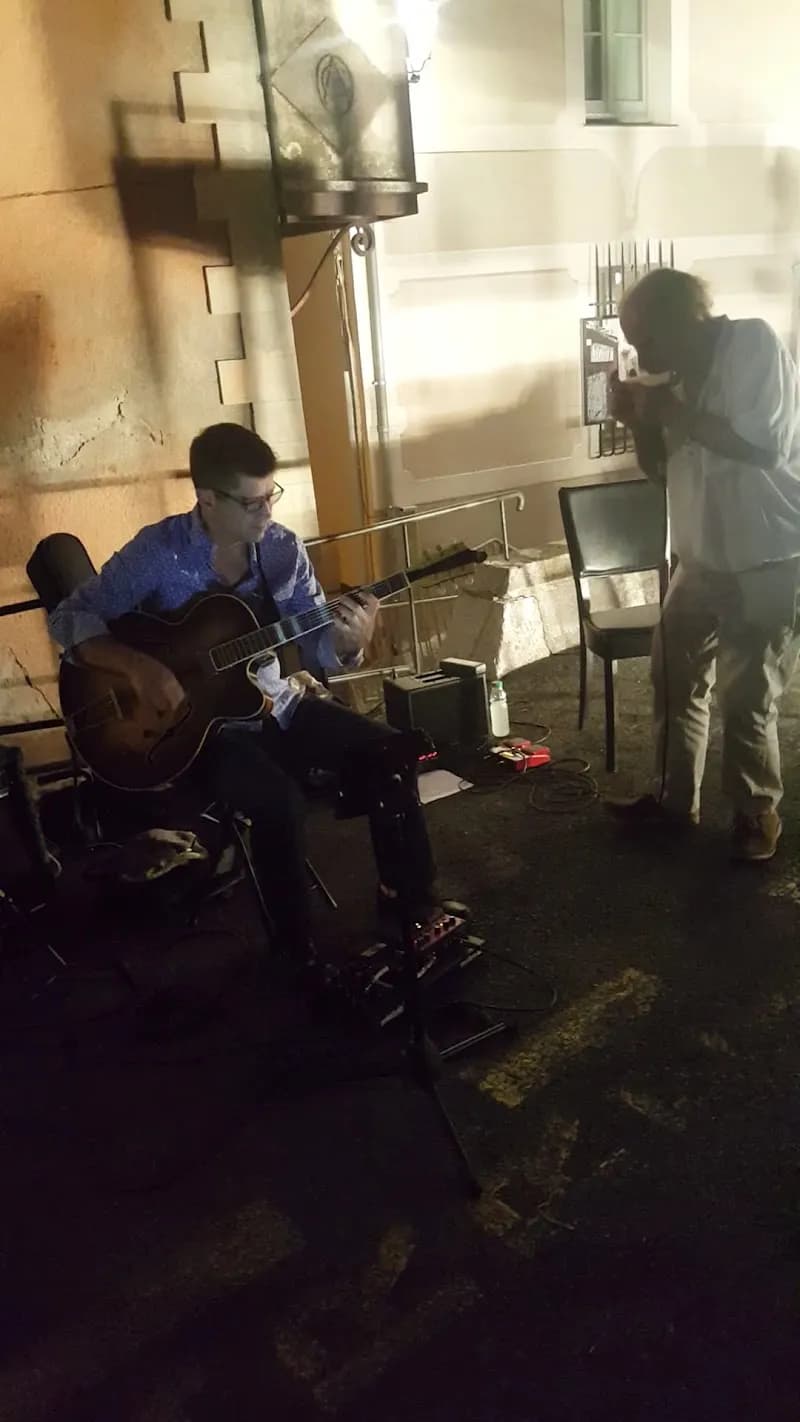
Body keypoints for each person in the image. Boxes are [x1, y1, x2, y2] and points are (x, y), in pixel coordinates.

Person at [48, 422, 436, 957]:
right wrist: (139, 669)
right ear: (207, 498)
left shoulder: (282, 551)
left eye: (271, 496)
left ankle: (409, 904)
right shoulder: (156, 553)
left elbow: (320, 646)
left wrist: (350, 642)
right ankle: (294, 950)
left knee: (391, 752)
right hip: (198, 733)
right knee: (280, 803)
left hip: (278, 703)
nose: (267, 513)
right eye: (253, 503)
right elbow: (71, 617)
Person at [607, 267, 800, 862]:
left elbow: (762, 444)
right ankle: (673, 803)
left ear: (684, 321)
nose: (642, 354)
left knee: (747, 696)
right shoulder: (677, 377)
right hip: (700, 559)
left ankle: (754, 814)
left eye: (647, 339)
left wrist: (666, 408)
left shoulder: (753, 343)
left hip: (768, 556)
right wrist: (637, 421)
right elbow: (662, 470)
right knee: (674, 680)